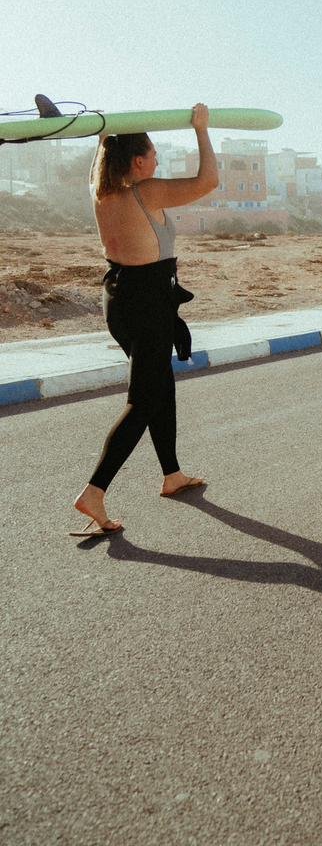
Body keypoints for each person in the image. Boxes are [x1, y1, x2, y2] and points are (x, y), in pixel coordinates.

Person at [72, 104, 220, 533]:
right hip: (150, 302)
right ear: (138, 162)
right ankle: (94, 492)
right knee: (143, 399)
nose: (157, 161)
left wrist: (104, 133)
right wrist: (202, 130)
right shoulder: (145, 191)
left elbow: (103, 157)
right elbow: (208, 181)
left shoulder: (101, 191)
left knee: (159, 384)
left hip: (118, 299)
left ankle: (172, 474)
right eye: (153, 155)